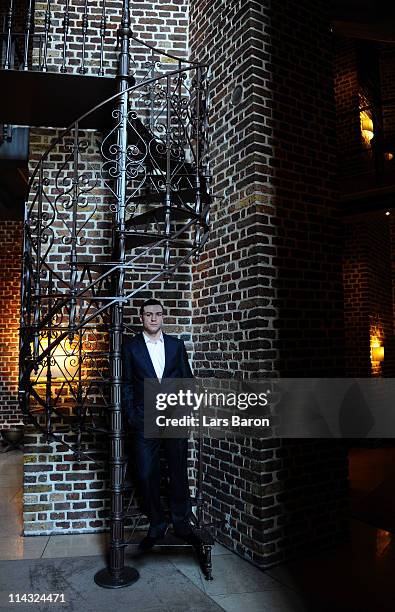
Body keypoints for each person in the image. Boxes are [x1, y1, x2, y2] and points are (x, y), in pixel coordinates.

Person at [122, 298, 198, 551]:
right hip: (144, 419)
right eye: (148, 314)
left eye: (157, 314)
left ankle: (182, 524)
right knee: (145, 473)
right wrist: (132, 415)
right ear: (141, 318)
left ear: (163, 317)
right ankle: (157, 524)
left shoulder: (176, 346)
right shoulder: (130, 347)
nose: (153, 318)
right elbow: (126, 385)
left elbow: (187, 379)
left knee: (177, 471)